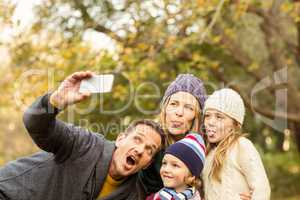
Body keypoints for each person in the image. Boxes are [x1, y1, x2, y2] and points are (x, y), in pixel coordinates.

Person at [0, 71, 164, 200]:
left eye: (150, 150)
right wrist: (55, 101)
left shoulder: (134, 195)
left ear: (148, 163)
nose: (140, 150)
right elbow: (36, 125)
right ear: (120, 139)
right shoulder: (85, 144)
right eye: (137, 139)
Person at [202, 88, 271, 200]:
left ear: (235, 124)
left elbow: (261, 189)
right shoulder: (207, 152)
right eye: (207, 116)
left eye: (219, 117)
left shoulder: (241, 146)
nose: (210, 122)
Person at [146, 132, 206, 200]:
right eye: (164, 163)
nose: (166, 169)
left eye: (175, 165)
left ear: (191, 176)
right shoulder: (154, 197)